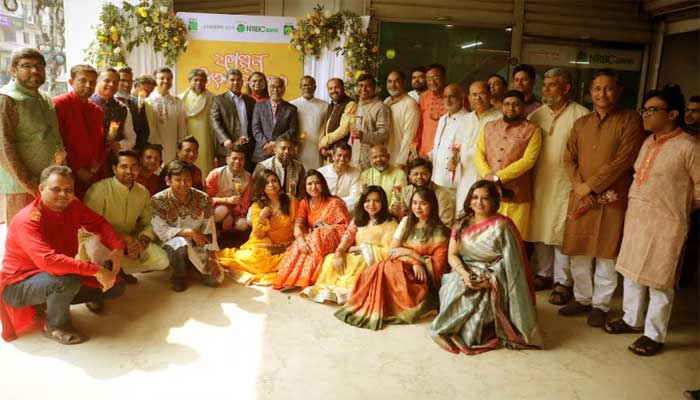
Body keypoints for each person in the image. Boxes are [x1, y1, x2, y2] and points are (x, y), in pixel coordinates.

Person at [604, 86, 700, 356]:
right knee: (632, 273)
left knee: (660, 280)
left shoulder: (689, 147)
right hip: (637, 219)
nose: (645, 114)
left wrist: (677, 211)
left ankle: (653, 335)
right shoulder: (648, 142)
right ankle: (631, 319)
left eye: (652, 110)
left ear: (672, 114)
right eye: (644, 110)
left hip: (667, 224)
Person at [0, 165, 124, 344]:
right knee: (68, 280)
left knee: (116, 283)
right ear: (41, 189)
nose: (63, 195)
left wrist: (117, 248)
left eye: (69, 190)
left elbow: (99, 224)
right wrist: (96, 270)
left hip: (55, 273)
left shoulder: (73, 205)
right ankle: (55, 326)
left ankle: (53, 302)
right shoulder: (27, 220)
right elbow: (49, 261)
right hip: (19, 285)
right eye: (56, 189)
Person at [559, 69, 645, 327]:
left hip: (612, 197)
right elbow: (569, 157)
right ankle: (582, 298)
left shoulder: (631, 120)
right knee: (579, 250)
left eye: (608, 88)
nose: (602, 93)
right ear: (590, 92)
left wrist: (591, 186)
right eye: (597, 88)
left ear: (619, 91)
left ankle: (600, 305)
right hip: (581, 196)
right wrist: (579, 186)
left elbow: (624, 159)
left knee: (607, 253)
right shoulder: (581, 123)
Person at [429, 180, 542, 354]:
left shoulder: (502, 225)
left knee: (477, 299)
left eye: (485, 198)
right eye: (475, 197)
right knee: (455, 288)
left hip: (494, 274)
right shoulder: (461, 223)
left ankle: (473, 330)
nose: (479, 202)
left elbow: (512, 264)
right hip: (464, 269)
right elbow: (452, 255)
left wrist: (491, 280)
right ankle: (449, 328)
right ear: (469, 200)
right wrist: (464, 274)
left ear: (494, 201)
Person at [335, 188, 449, 330]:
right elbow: (393, 251)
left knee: (389, 269)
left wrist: (412, 256)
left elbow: (438, 266)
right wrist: (413, 261)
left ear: (432, 205)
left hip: (423, 275)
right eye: (414, 203)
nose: (417, 208)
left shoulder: (440, 231)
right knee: (380, 269)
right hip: (403, 264)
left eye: (423, 203)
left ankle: (394, 305)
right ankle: (377, 305)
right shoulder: (406, 221)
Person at [527, 68, 590, 301]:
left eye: (552, 85)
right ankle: (543, 273)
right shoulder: (536, 115)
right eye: (544, 85)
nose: (546, 89)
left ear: (566, 88)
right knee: (539, 229)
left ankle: (564, 281)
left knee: (560, 232)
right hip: (538, 182)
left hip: (567, 184)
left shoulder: (581, 115)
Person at [78, 150, 169, 280]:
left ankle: (118, 271)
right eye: (124, 166)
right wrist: (122, 239)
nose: (129, 171)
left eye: (134, 167)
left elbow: (149, 222)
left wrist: (141, 243)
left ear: (139, 169)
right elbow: (91, 226)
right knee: (98, 251)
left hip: (129, 241)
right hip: (100, 240)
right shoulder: (99, 189)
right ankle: (104, 273)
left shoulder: (142, 192)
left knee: (162, 260)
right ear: (114, 169)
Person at [302, 186, 398, 304]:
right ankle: (329, 292)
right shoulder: (358, 219)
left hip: (371, 259)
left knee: (357, 262)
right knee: (330, 259)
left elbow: (389, 250)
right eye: (367, 201)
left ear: (383, 203)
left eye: (376, 201)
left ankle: (346, 293)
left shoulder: (390, 222)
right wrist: (339, 252)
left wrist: (361, 248)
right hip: (354, 253)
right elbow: (348, 235)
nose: (371, 205)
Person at [0, 48, 63, 222]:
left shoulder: (44, 97)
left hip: (49, 182)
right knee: (24, 233)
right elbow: (4, 147)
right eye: (26, 66)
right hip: (23, 187)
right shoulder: (6, 99)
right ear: (13, 70)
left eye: (39, 66)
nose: (35, 71)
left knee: (48, 231)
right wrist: (29, 183)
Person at [475, 90, 542, 239]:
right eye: (507, 104)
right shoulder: (489, 127)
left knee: (513, 239)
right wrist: (487, 175)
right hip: (489, 193)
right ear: (502, 106)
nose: (511, 108)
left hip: (517, 195)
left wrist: (498, 177)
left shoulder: (533, 130)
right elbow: (479, 153)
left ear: (523, 107)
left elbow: (528, 160)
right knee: (487, 238)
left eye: (516, 104)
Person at [151, 160, 223, 292]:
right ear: (168, 180)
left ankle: (192, 265)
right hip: (171, 243)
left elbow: (209, 229)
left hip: (198, 244)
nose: (183, 184)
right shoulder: (158, 200)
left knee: (215, 281)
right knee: (179, 243)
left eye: (187, 179)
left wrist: (212, 258)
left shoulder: (203, 198)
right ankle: (179, 275)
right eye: (178, 180)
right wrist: (189, 232)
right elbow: (161, 231)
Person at [272, 170, 351, 290]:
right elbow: (298, 224)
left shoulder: (335, 202)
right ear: (305, 186)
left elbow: (347, 227)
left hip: (333, 237)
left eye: (317, 183)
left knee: (317, 236)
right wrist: (300, 241)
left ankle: (304, 280)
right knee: (299, 243)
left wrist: (327, 227)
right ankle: (290, 279)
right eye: (309, 184)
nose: (314, 187)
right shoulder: (305, 203)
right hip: (315, 237)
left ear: (323, 185)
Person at [218, 170, 298, 285]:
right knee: (257, 259)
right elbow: (258, 234)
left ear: (279, 182)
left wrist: (291, 244)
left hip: (287, 245)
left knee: (296, 257)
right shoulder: (257, 206)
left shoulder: (291, 201)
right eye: (267, 183)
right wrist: (262, 217)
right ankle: (229, 255)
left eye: (274, 181)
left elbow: (299, 224)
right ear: (262, 187)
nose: (271, 185)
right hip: (264, 245)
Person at [53, 64, 105, 199]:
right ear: (71, 82)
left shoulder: (97, 110)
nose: (88, 85)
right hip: (67, 172)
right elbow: (56, 142)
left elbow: (99, 142)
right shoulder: (59, 104)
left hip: (92, 172)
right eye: (83, 80)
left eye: (92, 82)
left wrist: (96, 164)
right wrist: (77, 169)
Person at [455, 81, 503, 216]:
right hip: (465, 175)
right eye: (474, 95)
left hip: (486, 174)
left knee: (484, 214)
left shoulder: (499, 118)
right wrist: (454, 160)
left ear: (490, 95)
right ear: (469, 98)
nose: (478, 98)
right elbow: (457, 147)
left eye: (482, 94)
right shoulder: (465, 119)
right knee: (463, 213)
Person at [90, 68, 137, 173]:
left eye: (115, 82)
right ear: (97, 81)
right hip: (90, 160)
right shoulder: (86, 104)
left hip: (114, 162)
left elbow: (131, 137)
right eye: (107, 81)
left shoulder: (123, 108)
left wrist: (119, 145)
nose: (111, 84)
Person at [211, 68, 255, 169]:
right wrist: (225, 139)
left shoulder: (250, 101)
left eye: (238, 80)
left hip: (247, 148)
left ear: (242, 82)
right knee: (226, 176)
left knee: (246, 176)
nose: (235, 82)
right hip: (228, 147)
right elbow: (215, 121)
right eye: (232, 80)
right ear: (226, 82)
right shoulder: (219, 100)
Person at [391, 157, 455, 227]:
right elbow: (404, 215)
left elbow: (445, 223)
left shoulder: (442, 194)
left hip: (434, 230)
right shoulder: (405, 192)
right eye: (415, 174)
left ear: (430, 175)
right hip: (410, 228)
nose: (419, 177)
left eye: (424, 174)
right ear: (409, 176)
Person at [430, 83, 470, 195]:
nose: (447, 100)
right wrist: (428, 156)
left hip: (453, 181)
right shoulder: (443, 119)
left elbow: (467, 150)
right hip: (436, 177)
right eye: (445, 96)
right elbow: (439, 147)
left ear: (461, 98)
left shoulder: (468, 119)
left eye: (452, 96)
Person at [251, 77, 298, 163]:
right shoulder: (259, 106)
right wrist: (266, 144)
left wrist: (276, 143)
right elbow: (255, 128)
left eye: (279, 87)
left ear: (283, 89)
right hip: (262, 152)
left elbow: (292, 129)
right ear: (268, 89)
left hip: (282, 153)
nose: (275, 90)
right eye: (272, 87)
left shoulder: (291, 108)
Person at [205, 145, 252, 233]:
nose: (237, 162)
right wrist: (227, 202)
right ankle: (214, 231)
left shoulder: (248, 177)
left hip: (237, 212)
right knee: (222, 210)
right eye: (234, 158)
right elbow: (206, 199)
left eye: (241, 159)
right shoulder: (215, 174)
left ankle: (230, 236)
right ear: (227, 160)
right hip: (218, 209)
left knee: (243, 225)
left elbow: (245, 202)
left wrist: (233, 215)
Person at [146, 67, 187, 162]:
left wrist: (181, 149)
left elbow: (182, 128)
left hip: (171, 147)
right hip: (153, 147)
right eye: (162, 78)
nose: (166, 81)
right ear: (155, 80)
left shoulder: (177, 102)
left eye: (169, 79)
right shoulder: (147, 101)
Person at [350, 73, 391, 170]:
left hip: (372, 159)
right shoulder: (359, 104)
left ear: (374, 88)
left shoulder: (381, 107)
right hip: (355, 157)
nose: (363, 89)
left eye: (367, 86)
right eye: (360, 86)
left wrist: (363, 136)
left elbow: (384, 135)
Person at [179, 68, 214, 176]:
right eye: (196, 80)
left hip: (206, 139)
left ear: (206, 82)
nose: (199, 83)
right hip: (186, 137)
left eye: (202, 80)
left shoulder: (212, 98)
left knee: (204, 164)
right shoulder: (180, 98)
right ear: (190, 81)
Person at [383, 71, 420, 167]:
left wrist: (401, 161)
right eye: (389, 81)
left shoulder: (410, 104)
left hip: (398, 160)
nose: (392, 85)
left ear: (404, 83)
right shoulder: (386, 101)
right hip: (383, 157)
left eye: (396, 81)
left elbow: (409, 135)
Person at [290, 76, 328, 169]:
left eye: (310, 85)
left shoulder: (325, 105)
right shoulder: (292, 105)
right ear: (300, 87)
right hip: (298, 146)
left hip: (317, 146)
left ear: (315, 87)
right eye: (304, 85)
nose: (307, 88)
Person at [254, 134, 306, 199]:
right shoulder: (263, 166)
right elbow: (256, 192)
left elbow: (301, 193)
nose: (287, 151)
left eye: (290, 149)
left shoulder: (299, 167)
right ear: (275, 150)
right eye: (283, 148)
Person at [318, 78, 357, 161]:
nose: (333, 91)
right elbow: (325, 126)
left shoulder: (350, 104)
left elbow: (344, 129)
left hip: (342, 154)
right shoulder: (331, 105)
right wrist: (322, 146)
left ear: (343, 88)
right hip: (329, 152)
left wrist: (325, 142)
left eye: (336, 87)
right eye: (330, 88)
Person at [318, 142, 361, 212]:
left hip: (346, 209)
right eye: (339, 155)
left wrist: (336, 203)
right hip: (324, 209)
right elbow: (318, 195)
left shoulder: (355, 173)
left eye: (346, 156)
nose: (342, 159)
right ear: (333, 156)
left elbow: (355, 196)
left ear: (350, 158)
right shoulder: (321, 172)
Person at [116, 67, 150, 153]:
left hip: (134, 152)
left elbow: (144, 130)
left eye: (130, 81)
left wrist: (137, 151)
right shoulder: (107, 101)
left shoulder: (137, 102)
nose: (127, 84)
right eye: (122, 80)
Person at [417, 63, 448, 156]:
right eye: (429, 79)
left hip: (445, 151)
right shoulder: (423, 97)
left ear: (444, 78)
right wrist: (415, 146)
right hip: (425, 150)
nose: (432, 82)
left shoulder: (454, 96)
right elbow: (419, 125)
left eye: (436, 78)